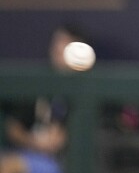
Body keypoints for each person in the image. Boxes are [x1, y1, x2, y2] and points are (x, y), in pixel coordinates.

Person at [0, 25, 90, 173]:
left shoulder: (84, 87)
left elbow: (69, 135)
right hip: (27, 153)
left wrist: (59, 139)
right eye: (57, 42)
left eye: (66, 42)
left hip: (62, 160)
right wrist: (33, 142)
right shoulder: (38, 85)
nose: (59, 48)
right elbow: (13, 127)